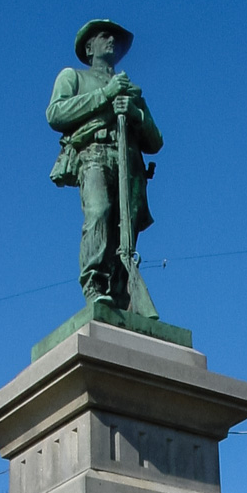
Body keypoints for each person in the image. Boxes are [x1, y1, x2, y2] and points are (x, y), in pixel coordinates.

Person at [47, 19, 163, 308]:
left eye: (115, 37)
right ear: (89, 47)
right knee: (99, 213)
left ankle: (121, 293)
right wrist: (105, 95)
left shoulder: (130, 89)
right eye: (103, 36)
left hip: (129, 162)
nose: (111, 40)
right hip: (94, 154)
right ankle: (94, 283)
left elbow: (156, 141)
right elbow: (55, 114)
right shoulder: (73, 77)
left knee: (125, 234)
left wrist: (136, 115)